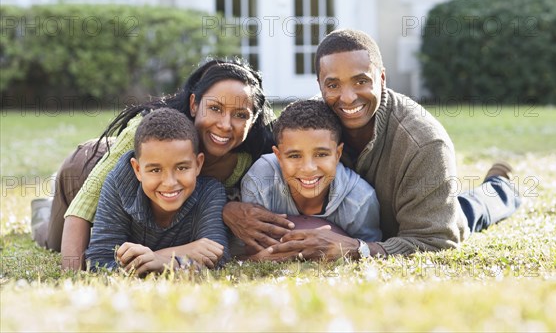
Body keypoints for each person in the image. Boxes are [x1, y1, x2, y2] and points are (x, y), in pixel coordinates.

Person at [224, 29, 521, 261]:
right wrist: (230, 210)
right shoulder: (304, 125)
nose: (348, 97)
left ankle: (501, 188)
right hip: (359, 221)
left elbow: (435, 241)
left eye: (361, 81)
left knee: (468, 211)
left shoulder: (425, 143)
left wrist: (357, 250)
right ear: (319, 85)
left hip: (404, 224)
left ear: (381, 78)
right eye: (333, 85)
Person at [34, 58, 276, 270]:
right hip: (87, 169)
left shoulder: (248, 155)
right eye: (214, 108)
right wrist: (72, 276)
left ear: (253, 119)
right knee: (56, 239)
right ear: (194, 105)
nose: (225, 124)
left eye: (240, 115)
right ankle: (43, 209)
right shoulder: (142, 132)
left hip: (158, 192)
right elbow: (83, 207)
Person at [86, 108, 228, 275]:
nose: (169, 183)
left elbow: (218, 258)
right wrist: (178, 254)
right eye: (155, 170)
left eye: (182, 167)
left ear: (198, 164)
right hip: (81, 163)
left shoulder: (211, 192)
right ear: (137, 169)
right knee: (50, 237)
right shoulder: (119, 185)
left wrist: (160, 261)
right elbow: (99, 264)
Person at [237, 99, 381, 258]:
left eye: (321, 154)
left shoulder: (360, 200)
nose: (308, 168)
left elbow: (366, 253)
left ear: (338, 154)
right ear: (278, 156)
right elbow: (246, 251)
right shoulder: (260, 180)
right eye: (294, 155)